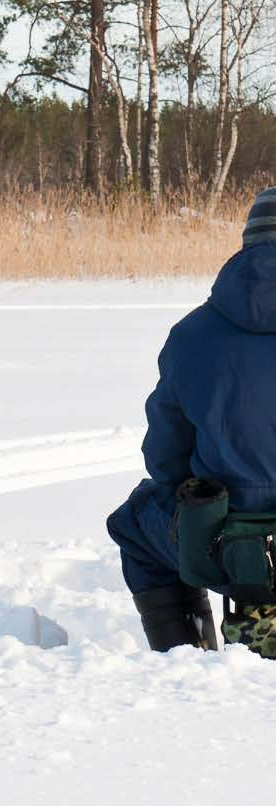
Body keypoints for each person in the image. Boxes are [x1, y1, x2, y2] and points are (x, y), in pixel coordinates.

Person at [108, 186, 276, 655]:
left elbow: (164, 461)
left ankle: (187, 659)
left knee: (134, 522)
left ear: (246, 244)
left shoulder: (193, 335)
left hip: (233, 552)